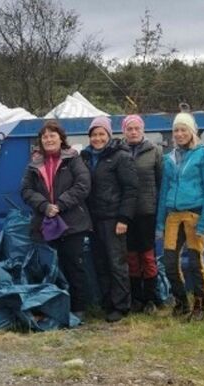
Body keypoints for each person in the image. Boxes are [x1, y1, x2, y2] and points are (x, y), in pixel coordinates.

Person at [21, 120, 91, 320]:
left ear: (61, 138)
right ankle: (51, 308)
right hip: (44, 224)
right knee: (47, 267)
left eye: (53, 135)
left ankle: (78, 308)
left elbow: (83, 185)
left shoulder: (73, 160)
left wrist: (60, 204)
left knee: (73, 266)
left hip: (72, 223)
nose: (49, 139)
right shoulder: (33, 164)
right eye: (45, 137)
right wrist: (45, 206)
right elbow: (25, 190)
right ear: (40, 141)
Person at [156, 112, 204, 321]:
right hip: (172, 216)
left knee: (194, 261)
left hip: (195, 214)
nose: (179, 134)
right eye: (176, 130)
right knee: (169, 262)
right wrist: (159, 223)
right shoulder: (169, 158)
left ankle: (200, 304)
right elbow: (164, 190)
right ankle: (181, 301)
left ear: (192, 131)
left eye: (184, 130)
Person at [81, 116, 138, 323]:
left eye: (101, 134)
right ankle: (107, 302)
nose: (97, 138)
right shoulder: (85, 157)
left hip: (114, 218)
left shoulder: (121, 157)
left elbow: (131, 190)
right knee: (101, 263)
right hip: (93, 219)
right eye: (94, 134)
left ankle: (121, 305)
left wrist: (124, 218)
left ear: (109, 135)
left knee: (117, 263)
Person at [121, 115, 163, 314]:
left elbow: (161, 183)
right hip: (125, 214)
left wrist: (161, 212)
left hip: (148, 211)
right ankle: (136, 297)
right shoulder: (118, 151)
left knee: (147, 256)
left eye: (137, 128)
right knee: (131, 257)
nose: (133, 132)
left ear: (143, 129)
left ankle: (151, 298)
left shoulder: (155, 151)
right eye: (129, 129)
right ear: (124, 131)